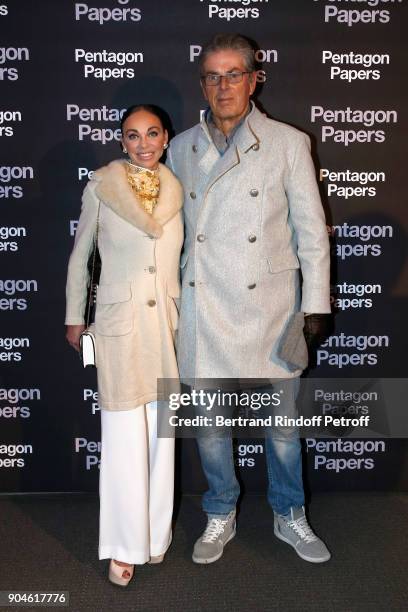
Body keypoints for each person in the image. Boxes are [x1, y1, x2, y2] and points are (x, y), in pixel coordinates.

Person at [166, 33, 332, 564]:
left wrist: (317, 305)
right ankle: (220, 512)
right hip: (204, 304)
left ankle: (288, 513)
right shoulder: (180, 147)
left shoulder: (287, 142)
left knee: (283, 429)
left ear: (255, 78)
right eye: (213, 76)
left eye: (234, 73)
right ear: (203, 84)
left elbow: (311, 232)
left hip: (272, 307)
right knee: (211, 429)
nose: (223, 86)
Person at [65, 104, 183, 586]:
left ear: (166, 138)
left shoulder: (180, 191)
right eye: (132, 136)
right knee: (122, 439)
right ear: (121, 141)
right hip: (118, 325)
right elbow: (80, 258)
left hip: (167, 328)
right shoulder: (101, 187)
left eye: (151, 133)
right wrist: (75, 316)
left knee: (162, 437)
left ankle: (155, 537)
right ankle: (123, 544)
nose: (143, 143)